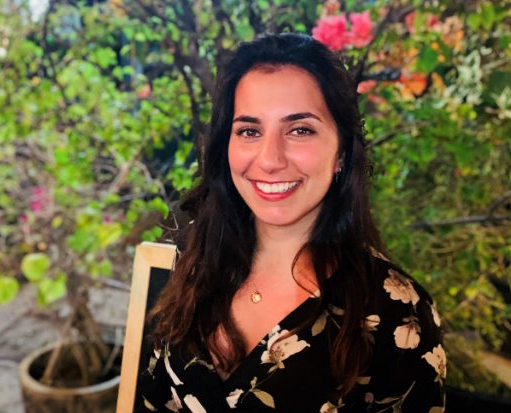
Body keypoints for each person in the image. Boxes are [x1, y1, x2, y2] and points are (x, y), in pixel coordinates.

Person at [136, 33, 445, 412]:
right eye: (249, 130)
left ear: (342, 153)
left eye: (300, 130)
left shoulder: (400, 316)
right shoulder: (194, 247)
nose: (269, 159)